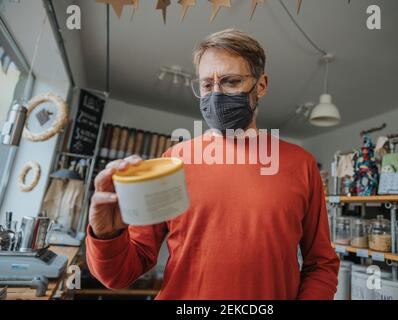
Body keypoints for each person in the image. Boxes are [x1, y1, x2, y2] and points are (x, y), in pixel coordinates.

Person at [86, 29, 339, 300]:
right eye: (207, 85)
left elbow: (321, 264)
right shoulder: (173, 161)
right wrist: (107, 235)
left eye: (231, 81)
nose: (216, 94)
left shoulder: (300, 164)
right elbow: (120, 275)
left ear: (261, 85)